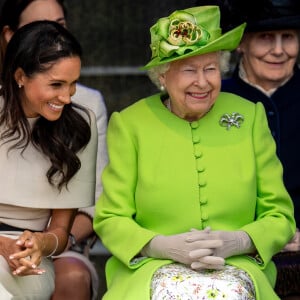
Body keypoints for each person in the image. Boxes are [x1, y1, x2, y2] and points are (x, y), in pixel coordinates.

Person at [93, 5, 295, 300]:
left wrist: (238, 241)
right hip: (151, 268)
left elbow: (280, 215)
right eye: (189, 70)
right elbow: (111, 218)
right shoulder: (130, 124)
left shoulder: (249, 116)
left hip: (237, 266)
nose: (202, 82)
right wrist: (161, 245)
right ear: (162, 76)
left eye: (210, 69)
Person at [0, 1, 109, 299]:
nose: (66, 97)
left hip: (31, 264)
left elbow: (61, 232)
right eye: (56, 84)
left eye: (72, 85)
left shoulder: (78, 126)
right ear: (21, 77)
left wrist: (39, 245)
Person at [208, 0, 300, 298]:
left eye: (288, 37)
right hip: (232, 246)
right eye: (265, 38)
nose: (278, 50)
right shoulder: (210, 98)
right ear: (241, 44)